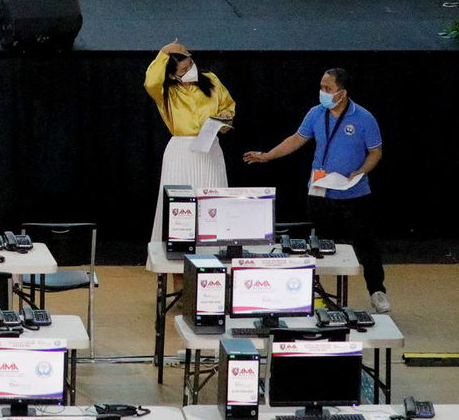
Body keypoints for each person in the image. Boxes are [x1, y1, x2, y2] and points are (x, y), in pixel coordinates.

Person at [243, 67, 387, 312]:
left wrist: (361, 171)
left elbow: (375, 152)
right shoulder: (316, 113)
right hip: (320, 191)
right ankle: (311, 293)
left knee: (366, 245)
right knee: (316, 244)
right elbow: (296, 139)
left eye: (328, 88)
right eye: (321, 87)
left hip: (355, 193)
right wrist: (267, 156)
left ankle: (377, 291)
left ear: (342, 93)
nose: (322, 92)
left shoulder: (363, 118)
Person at [145, 40, 235, 241]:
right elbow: (150, 82)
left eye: (190, 65)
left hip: (209, 146)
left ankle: (213, 250)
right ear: (171, 74)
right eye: (183, 70)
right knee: (179, 204)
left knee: (211, 197)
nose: (189, 71)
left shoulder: (211, 79)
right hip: (181, 151)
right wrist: (164, 52)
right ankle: (175, 256)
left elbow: (228, 105)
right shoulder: (165, 91)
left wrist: (226, 116)